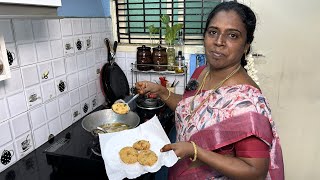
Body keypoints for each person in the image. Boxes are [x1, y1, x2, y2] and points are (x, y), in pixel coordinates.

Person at [135, 2, 284, 179]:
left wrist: (195, 151)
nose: (219, 42)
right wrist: (161, 91)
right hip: (181, 170)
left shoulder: (247, 101)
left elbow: (254, 171)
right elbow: (190, 110)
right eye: (213, 32)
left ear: (246, 46)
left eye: (233, 36)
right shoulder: (201, 72)